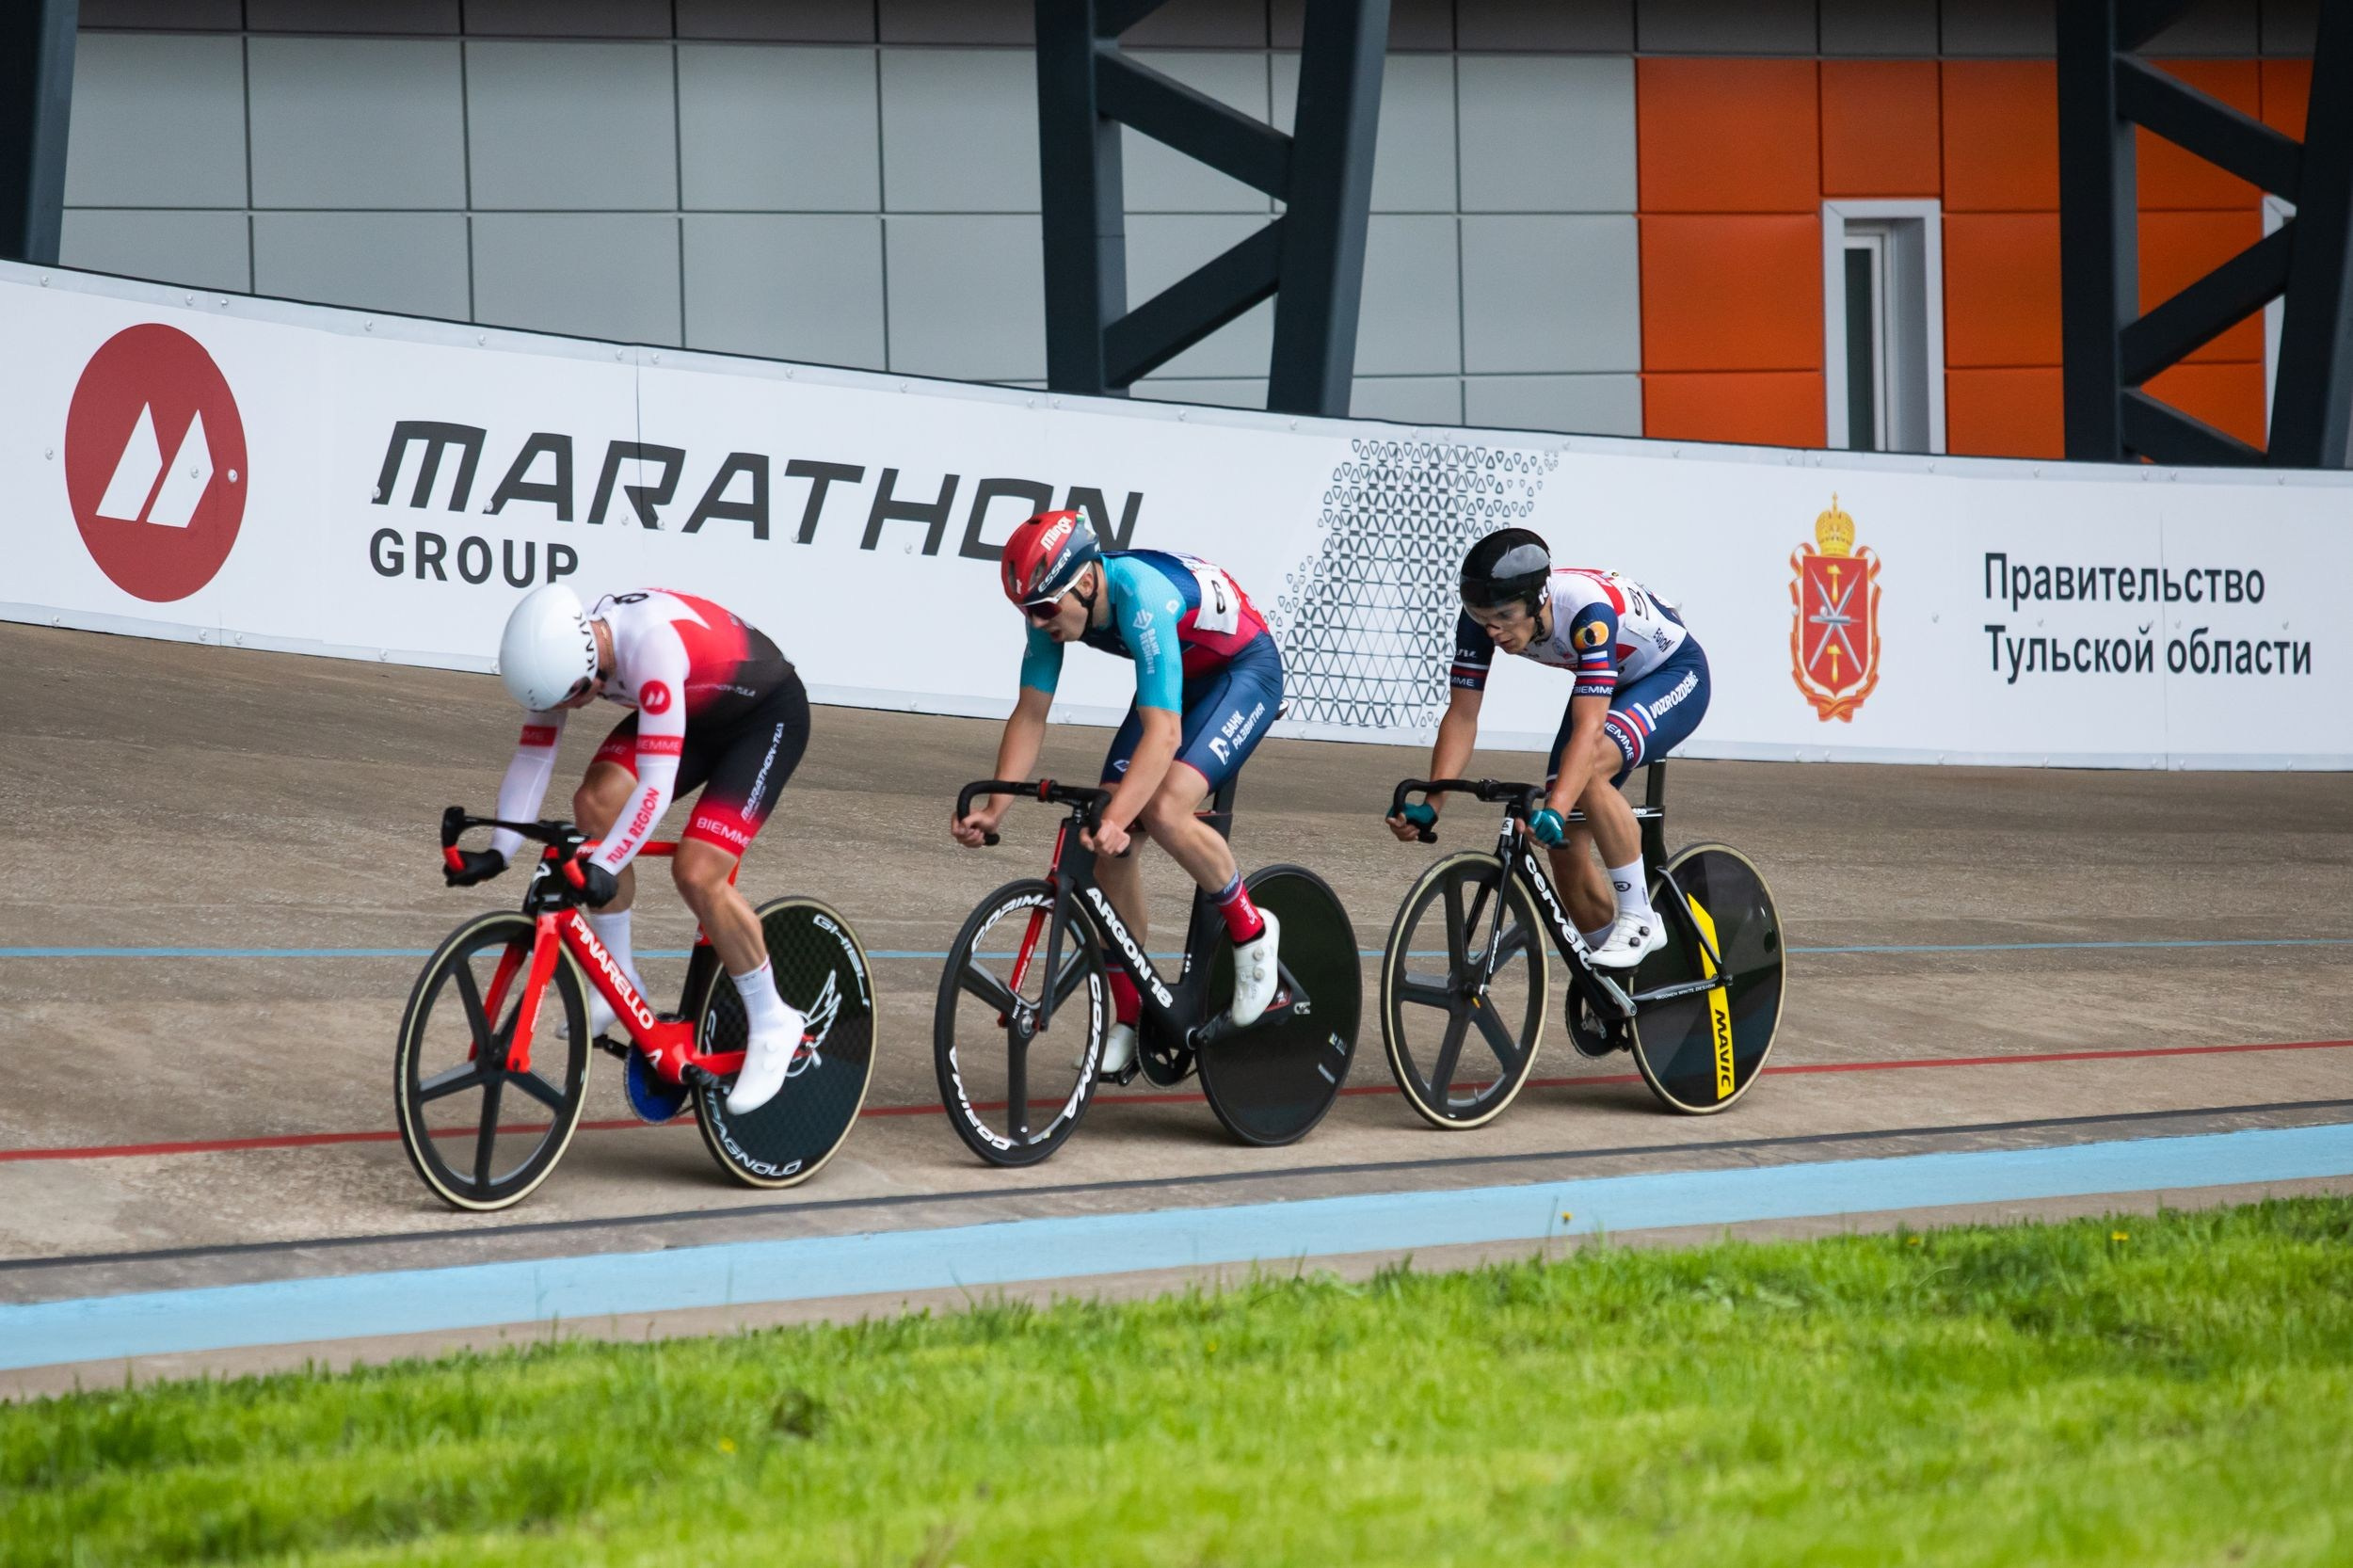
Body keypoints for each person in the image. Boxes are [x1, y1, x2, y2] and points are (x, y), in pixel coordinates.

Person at [446, 584, 811, 1115]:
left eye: (572, 698)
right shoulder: (563, 654)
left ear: (589, 669)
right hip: (695, 709)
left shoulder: (650, 648)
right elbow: (533, 758)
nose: (567, 710)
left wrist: (607, 864)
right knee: (595, 804)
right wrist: (500, 850)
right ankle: (618, 977)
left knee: (698, 871)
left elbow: (656, 787)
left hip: (764, 719)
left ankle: (774, 1019)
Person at [951, 510, 1284, 1075]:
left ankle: (1252, 931)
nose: (1036, 624)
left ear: (1083, 582)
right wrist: (995, 808)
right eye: (1027, 613)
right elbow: (1031, 713)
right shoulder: (1054, 606)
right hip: (1182, 676)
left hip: (1241, 673)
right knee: (1108, 834)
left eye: (1043, 610)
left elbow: (1166, 733)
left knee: (1159, 808)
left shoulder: (1141, 596)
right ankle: (1129, 1015)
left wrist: (1124, 815)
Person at [1389, 528, 1709, 969]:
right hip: (1612, 680)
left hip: (1673, 674)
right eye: (1481, 616)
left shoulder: (1586, 613)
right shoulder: (1484, 620)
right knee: (1565, 852)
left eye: (1503, 615)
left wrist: (1555, 809)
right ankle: (1612, 983)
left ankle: (1640, 919)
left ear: (1538, 600)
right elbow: (1462, 714)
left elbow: (1589, 728)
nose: (1493, 629)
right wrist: (1433, 801)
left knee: (1588, 772)